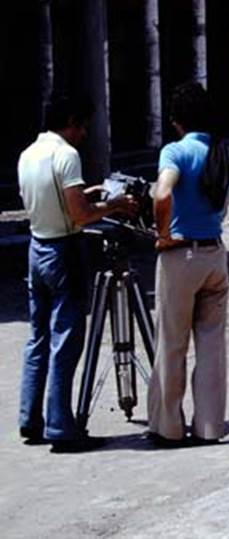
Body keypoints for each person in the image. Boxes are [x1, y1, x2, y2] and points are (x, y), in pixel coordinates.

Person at [17, 93, 137, 453]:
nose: (84, 133)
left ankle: (30, 418)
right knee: (66, 340)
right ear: (71, 120)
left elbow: (60, 200)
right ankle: (61, 427)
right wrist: (115, 204)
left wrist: (90, 194)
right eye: (83, 125)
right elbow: (80, 216)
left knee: (38, 338)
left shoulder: (29, 153)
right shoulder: (66, 155)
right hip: (63, 250)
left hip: (36, 247)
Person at [147, 82, 229, 448]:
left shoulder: (176, 151)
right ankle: (209, 426)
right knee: (212, 346)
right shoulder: (224, 154)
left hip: (181, 255)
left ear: (177, 120)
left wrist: (162, 233)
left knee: (172, 343)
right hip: (215, 253)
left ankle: (168, 426)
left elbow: (163, 193)